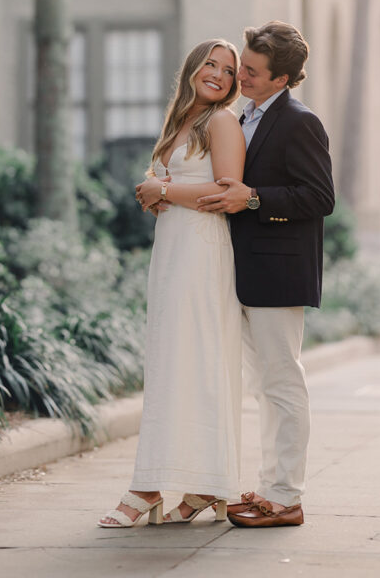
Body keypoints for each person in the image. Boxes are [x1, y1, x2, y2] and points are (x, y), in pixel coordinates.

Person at [98, 39, 246, 528]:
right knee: (173, 363)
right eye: (211, 64)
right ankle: (203, 485)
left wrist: (164, 190)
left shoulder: (222, 122)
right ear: (192, 69)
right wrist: (160, 195)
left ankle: (147, 487)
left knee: (193, 361)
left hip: (202, 253)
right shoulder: (181, 122)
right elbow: (177, 183)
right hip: (173, 251)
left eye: (228, 70)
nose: (219, 75)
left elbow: (227, 191)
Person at [197, 21, 335, 528]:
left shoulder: (301, 122)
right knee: (264, 387)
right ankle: (270, 485)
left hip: (279, 276)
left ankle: (287, 498)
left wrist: (252, 198)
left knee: (282, 383)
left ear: (281, 80)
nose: (242, 77)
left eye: (252, 72)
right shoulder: (243, 116)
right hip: (245, 271)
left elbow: (321, 198)